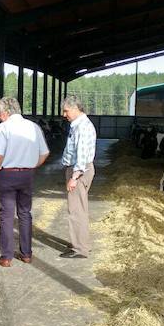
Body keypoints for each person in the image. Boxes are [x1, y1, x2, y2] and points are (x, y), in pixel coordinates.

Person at [0, 97, 50, 267]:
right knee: (25, 213)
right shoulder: (33, 127)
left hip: (7, 175)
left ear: (7, 112)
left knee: (7, 215)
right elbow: (44, 153)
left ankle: (6, 257)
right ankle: (27, 254)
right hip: (27, 175)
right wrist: (30, 166)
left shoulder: (3, 128)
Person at [59, 95, 96, 259]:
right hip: (79, 169)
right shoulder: (80, 125)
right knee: (80, 208)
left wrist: (74, 177)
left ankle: (80, 249)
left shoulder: (82, 127)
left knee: (76, 210)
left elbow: (81, 156)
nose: (64, 114)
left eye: (66, 111)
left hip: (79, 171)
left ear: (75, 109)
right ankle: (81, 243)